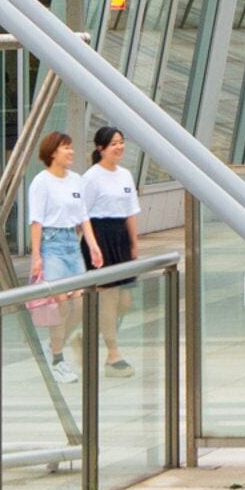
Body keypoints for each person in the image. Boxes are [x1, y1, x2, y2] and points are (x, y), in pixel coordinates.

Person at [23, 130, 89, 365]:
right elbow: (36, 222)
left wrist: (92, 245)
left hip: (72, 242)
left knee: (79, 305)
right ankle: (58, 359)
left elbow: (83, 217)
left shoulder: (76, 180)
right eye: (66, 147)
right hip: (52, 244)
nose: (71, 152)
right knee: (60, 305)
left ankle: (56, 344)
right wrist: (36, 256)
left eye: (71, 147)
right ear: (52, 152)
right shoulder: (41, 182)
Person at [82, 125, 144, 375]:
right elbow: (82, 214)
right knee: (108, 297)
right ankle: (113, 353)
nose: (119, 147)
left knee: (125, 300)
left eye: (121, 142)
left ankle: (90, 336)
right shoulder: (91, 177)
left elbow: (130, 212)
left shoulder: (125, 175)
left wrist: (134, 243)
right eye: (114, 144)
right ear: (101, 148)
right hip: (99, 236)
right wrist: (91, 245)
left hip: (120, 237)